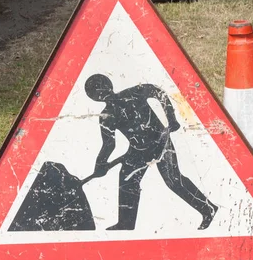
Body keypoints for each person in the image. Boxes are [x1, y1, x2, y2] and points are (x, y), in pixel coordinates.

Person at [84, 73, 218, 230]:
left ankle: (208, 209)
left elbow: (158, 92)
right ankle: (126, 223)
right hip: (138, 150)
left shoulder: (131, 94)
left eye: (99, 90)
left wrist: (171, 118)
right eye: (96, 92)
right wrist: (100, 163)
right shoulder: (107, 115)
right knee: (127, 182)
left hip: (160, 141)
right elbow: (108, 144)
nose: (100, 93)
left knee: (174, 181)